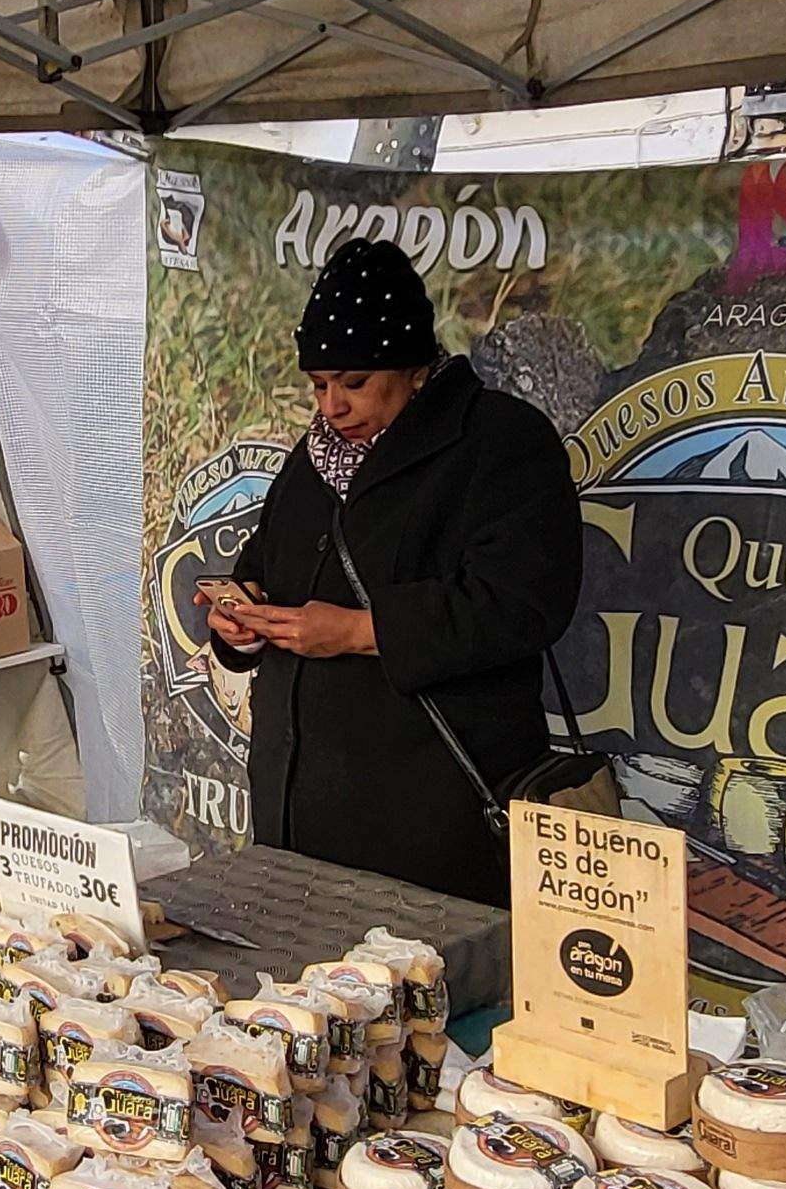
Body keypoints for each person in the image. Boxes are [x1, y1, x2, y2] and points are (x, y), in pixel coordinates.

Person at [203, 238, 582, 903]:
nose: (332, 407)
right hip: (299, 825)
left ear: (413, 369)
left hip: (432, 831)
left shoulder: (500, 444)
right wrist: (241, 619)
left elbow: (522, 605)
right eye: (319, 384)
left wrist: (355, 632)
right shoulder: (312, 458)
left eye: (354, 383)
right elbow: (266, 564)